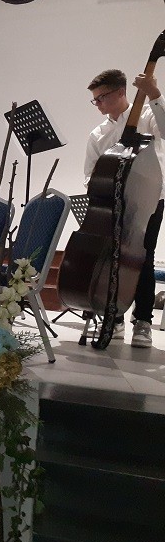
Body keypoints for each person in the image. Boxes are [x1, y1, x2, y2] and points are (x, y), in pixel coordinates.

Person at [85, 69, 165, 348]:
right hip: (113, 204)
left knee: (143, 258)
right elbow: (90, 174)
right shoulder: (98, 134)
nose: (98, 104)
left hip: (149, 200)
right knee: (111, 259)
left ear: (121, 92)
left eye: (102, 97)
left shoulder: (147, 115)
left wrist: (154, 94)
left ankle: (143, 322)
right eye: (95, 100)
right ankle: (114, 318)